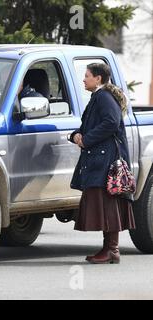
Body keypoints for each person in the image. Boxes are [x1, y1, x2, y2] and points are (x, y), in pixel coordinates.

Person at [69, 63, 135, 264]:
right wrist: (76, 135)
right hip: (100, 158)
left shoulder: (104, 97)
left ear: (98, 78)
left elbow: (111, 123)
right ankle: (109, 249)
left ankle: (112, 250)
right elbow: (88, 125)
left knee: (107, 203)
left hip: (106, 160)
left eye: (87, 75)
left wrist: (87, 139)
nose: (84, 79)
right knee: (107, 203)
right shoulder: (98, 97)